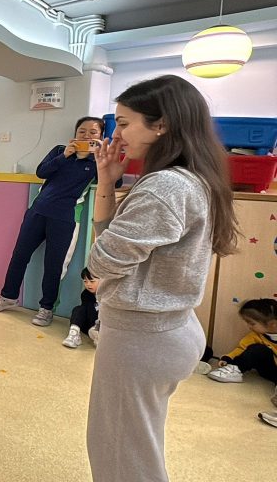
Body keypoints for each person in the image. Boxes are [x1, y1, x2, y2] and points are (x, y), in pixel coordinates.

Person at [86, 75, 239, 482]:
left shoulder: (164, 187)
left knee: (123, 458)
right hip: (167, 329)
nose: (117, 134)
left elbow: (102, 260)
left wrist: (100, 258)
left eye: (124, 123)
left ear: (162, 125)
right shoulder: (191, 178)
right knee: (132, 447)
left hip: (142, 339)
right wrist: (107, 181)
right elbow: (113, 244)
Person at [0, 116, 110, 326]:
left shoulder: (96, 162)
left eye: (93, 132)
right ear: (75, 133)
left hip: (65, 218)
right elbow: (41, 172)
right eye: (82, 131)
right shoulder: (59, 150)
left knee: (54, 265)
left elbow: (114, 182)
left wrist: (103, 156)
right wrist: (65, 155)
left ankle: (46, 308)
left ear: (100, 136)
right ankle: (8, 296)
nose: (86, 135)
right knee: (19, 256)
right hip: (37, 211)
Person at [207, 299, 277, 408]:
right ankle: (236, 370)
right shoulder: (254, 336)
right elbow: (241, 349)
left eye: (252, 323)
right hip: (269, 368)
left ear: (272, 324)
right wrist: (228, 358)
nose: (249, 326)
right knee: (257, 349)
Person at [62, 268, 100, 349]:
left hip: (103, 326)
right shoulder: (85, 294)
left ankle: (100, 338)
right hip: (89, 326)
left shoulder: (108, 295)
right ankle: (74, 334)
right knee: (78, 309)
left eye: (92, 281)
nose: (88, 284)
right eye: (85, 281)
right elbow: (87, 311)